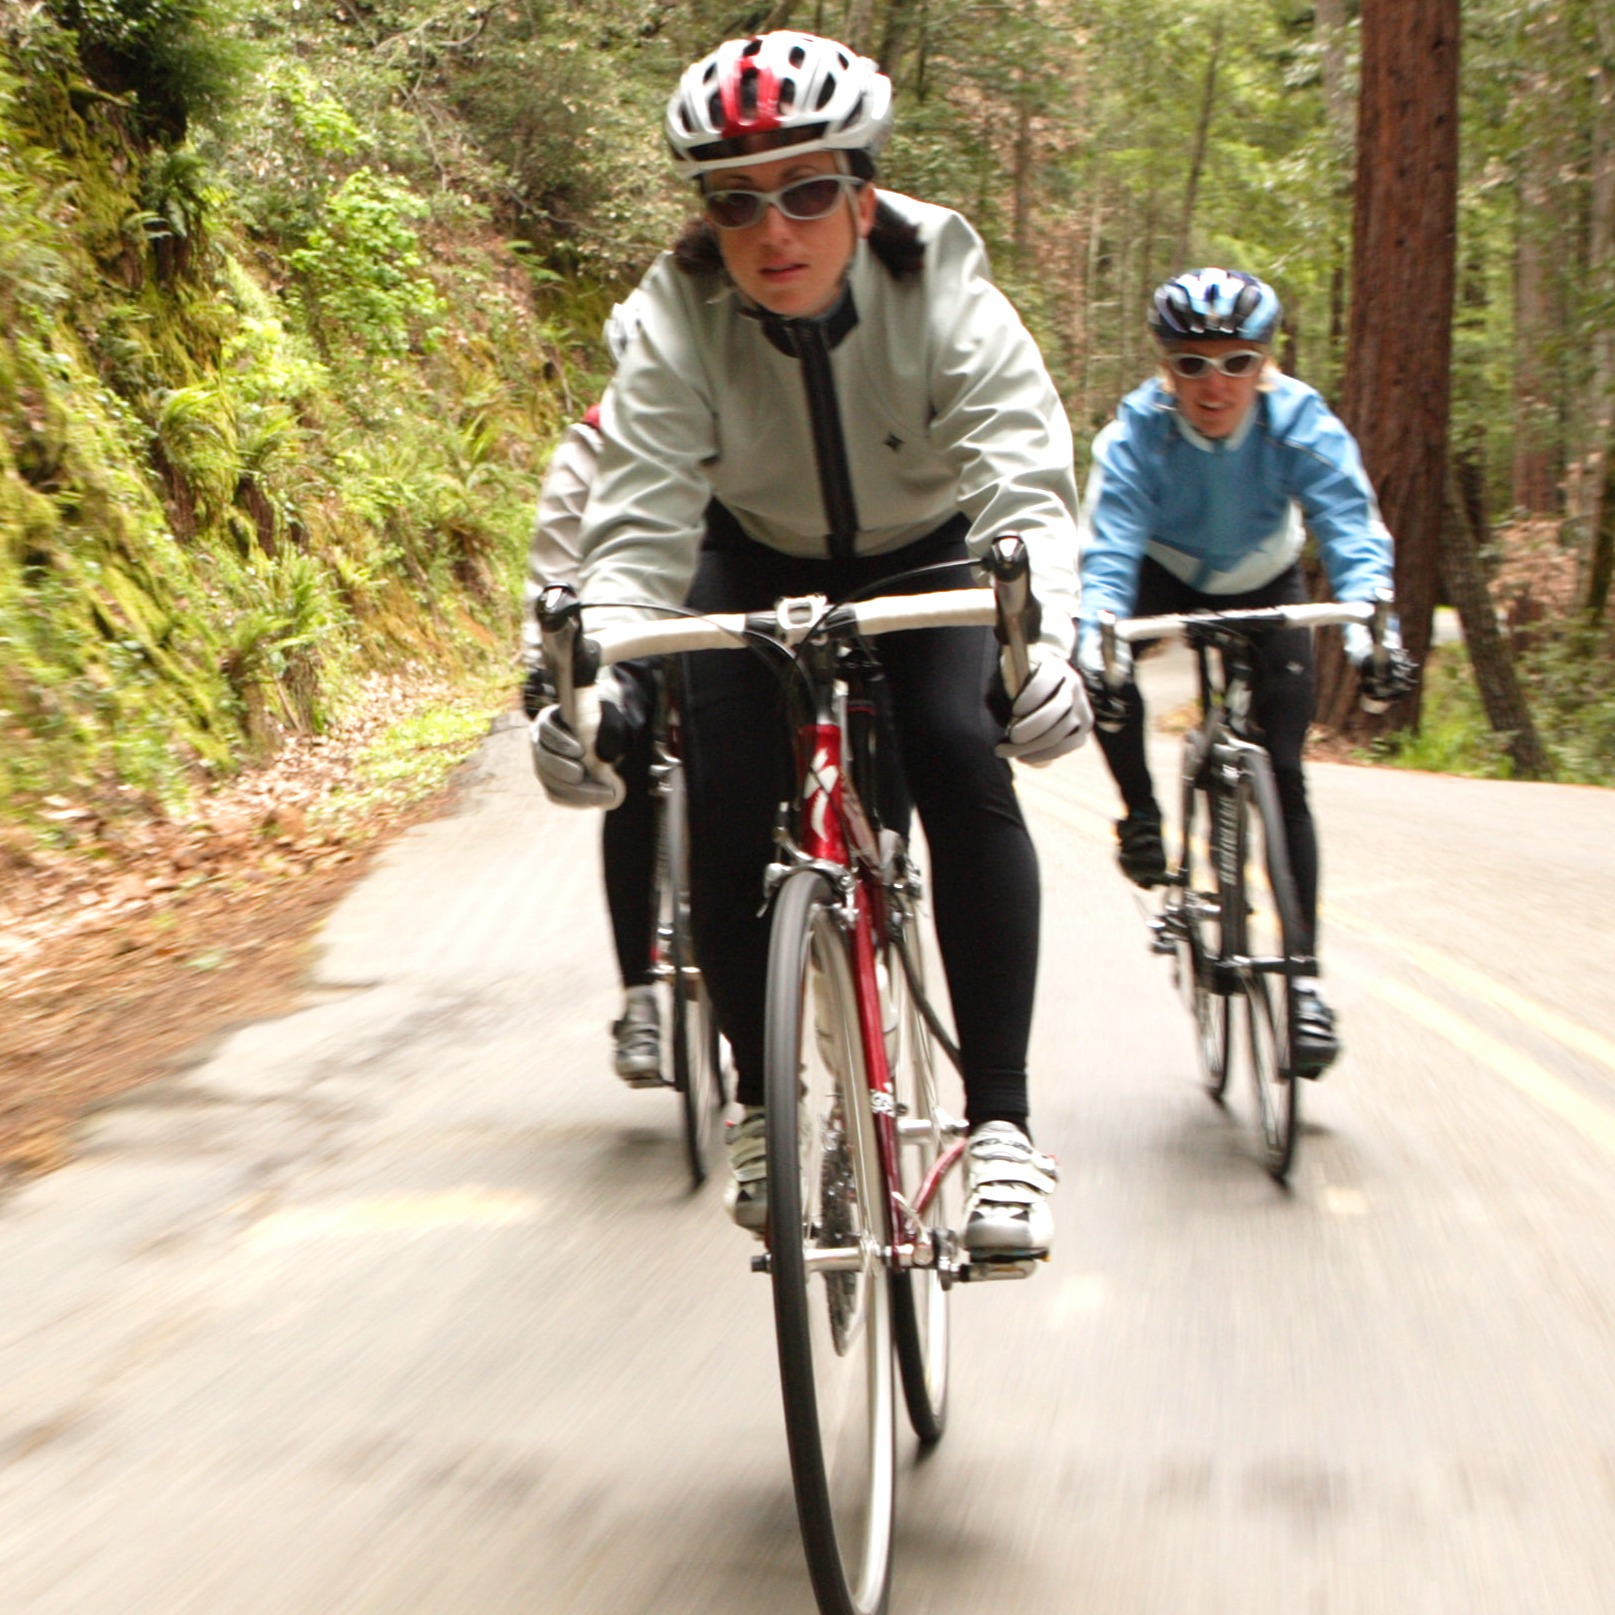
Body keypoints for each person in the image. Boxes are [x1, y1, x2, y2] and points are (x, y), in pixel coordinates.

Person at [532, 31, 1091, 1260]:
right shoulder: (673, 313)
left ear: (863, 190)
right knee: (726, 803)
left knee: (956, 744)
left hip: (928, 550)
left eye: (807, 190)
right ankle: (753, 1101)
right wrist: (605, 686)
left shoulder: (942, 279)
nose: (773, 229)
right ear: (706, 215)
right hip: (752, 552)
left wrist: (1045, 642)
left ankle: (999, 1128)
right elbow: (635, 519)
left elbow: (1022, 479)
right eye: (735, 201)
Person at [1075, 267, 1416, 1074]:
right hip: (1162, 573)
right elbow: (1110, 547)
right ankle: (1143, 819)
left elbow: (1348, 527)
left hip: (1265, 579)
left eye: (1237, 361)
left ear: (1264, 362)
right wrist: (1098, 645)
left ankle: (1301, 982)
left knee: (1286, 773)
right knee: (1104, 677)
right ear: (1166, 368)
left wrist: (1375, 638)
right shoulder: (1138, 432)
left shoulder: (1299, 421)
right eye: (1190, 364)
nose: (1214, 382)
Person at [520, 297, 665, 1084]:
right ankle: (640, 996)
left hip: (709, 630)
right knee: (630, 781)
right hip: (627, 639)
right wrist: (542, 670)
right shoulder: (590, 443)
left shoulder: (736, 422)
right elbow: (554, 568)